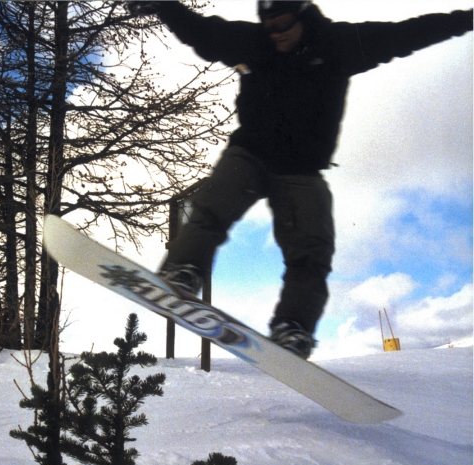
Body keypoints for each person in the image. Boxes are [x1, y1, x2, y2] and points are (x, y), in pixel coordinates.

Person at [127, 1, 473, 358]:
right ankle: (183, 270)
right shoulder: (251, 41)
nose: (276, 34)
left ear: (303, 16)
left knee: (312, 249)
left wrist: (466, 19)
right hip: (250, 153)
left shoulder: (339, 44)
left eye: (283, 25)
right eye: (269, 26)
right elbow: (199, 30)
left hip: (301, 169)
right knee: (213, 206)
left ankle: (293, 326)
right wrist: (163, 6)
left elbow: (407, 34)